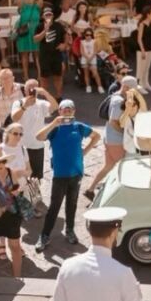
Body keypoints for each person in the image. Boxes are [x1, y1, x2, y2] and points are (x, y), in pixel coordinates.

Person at [35, 100, 101, 252]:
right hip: (60, 175)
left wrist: (85, 152)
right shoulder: (55, 129)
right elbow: (39, 137)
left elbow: (96, 136)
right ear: (59, 111)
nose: (66, 112)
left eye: (69, 109)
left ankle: (70, 230)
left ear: (74, 111)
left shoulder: (79, 127)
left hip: (76, 173)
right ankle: (44, 235)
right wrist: (53, 123)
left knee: (72, 204)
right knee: (54, 207)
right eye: (63, 109)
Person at [85, 74, 137, 199]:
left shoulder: (115, 97)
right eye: (132, 89)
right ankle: (118, 194)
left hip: (110, 138)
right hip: (116, 140)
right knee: (123, 166)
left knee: (108, 166)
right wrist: (126, 133)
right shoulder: (118, 101)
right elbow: (114, 121)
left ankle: (90, 189)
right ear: (125, 87)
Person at [10, 79, 58, 180]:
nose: (31, 90)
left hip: (37, 146)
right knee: (21, 177)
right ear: (25, 90)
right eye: (29, 88)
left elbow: (55, 107)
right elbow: (14, 118)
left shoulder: (42, 104)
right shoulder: (18, 103)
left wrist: (45, 93)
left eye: (34, 88)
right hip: (21, 146)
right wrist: (24, 106)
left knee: (37, 177)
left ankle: (36, 195)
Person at [34, 7, 66, 98]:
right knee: (44, 78)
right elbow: (36, 39)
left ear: (53, 15)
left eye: (50, 14)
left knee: (58, 77)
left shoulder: (58, 25)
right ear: (43, 16)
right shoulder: (39, 26)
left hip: (56, 55)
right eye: (46, 14)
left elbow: (66, 35)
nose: (48, 16)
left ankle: (59, 97)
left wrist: (64, 45)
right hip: (44, 55)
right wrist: (45, 30)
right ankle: (45, 98)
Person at [16, 0, 43, 80]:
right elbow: (18, 0)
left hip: (35, 31)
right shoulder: (23, 6)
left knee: (37, 54)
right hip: (25, 32)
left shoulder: (37, 6)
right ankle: (26, 75)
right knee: (25, 54)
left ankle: (40, 75)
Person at [135, 7, 151, 93]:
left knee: (147, 68)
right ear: (148, 14)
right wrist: (142, 50)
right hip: (142, 50)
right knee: (141, 69)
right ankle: (139, 86)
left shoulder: (150, 23)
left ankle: (146, 83)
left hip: (150, 48)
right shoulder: (142, 24)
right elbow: (139, 39)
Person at [78, 28, 105, 95]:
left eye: (90, 35)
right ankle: (88, 86)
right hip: (85, 58)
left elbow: (95, 51)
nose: (88, 36)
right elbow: (82, 52)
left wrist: (90, 58)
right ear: (84, 35)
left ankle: (100, 86)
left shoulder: (94, 41)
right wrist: (87, 58)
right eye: (87, 35)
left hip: (93, 58)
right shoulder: (82, 42)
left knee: (95, 73)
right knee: (86, 73)